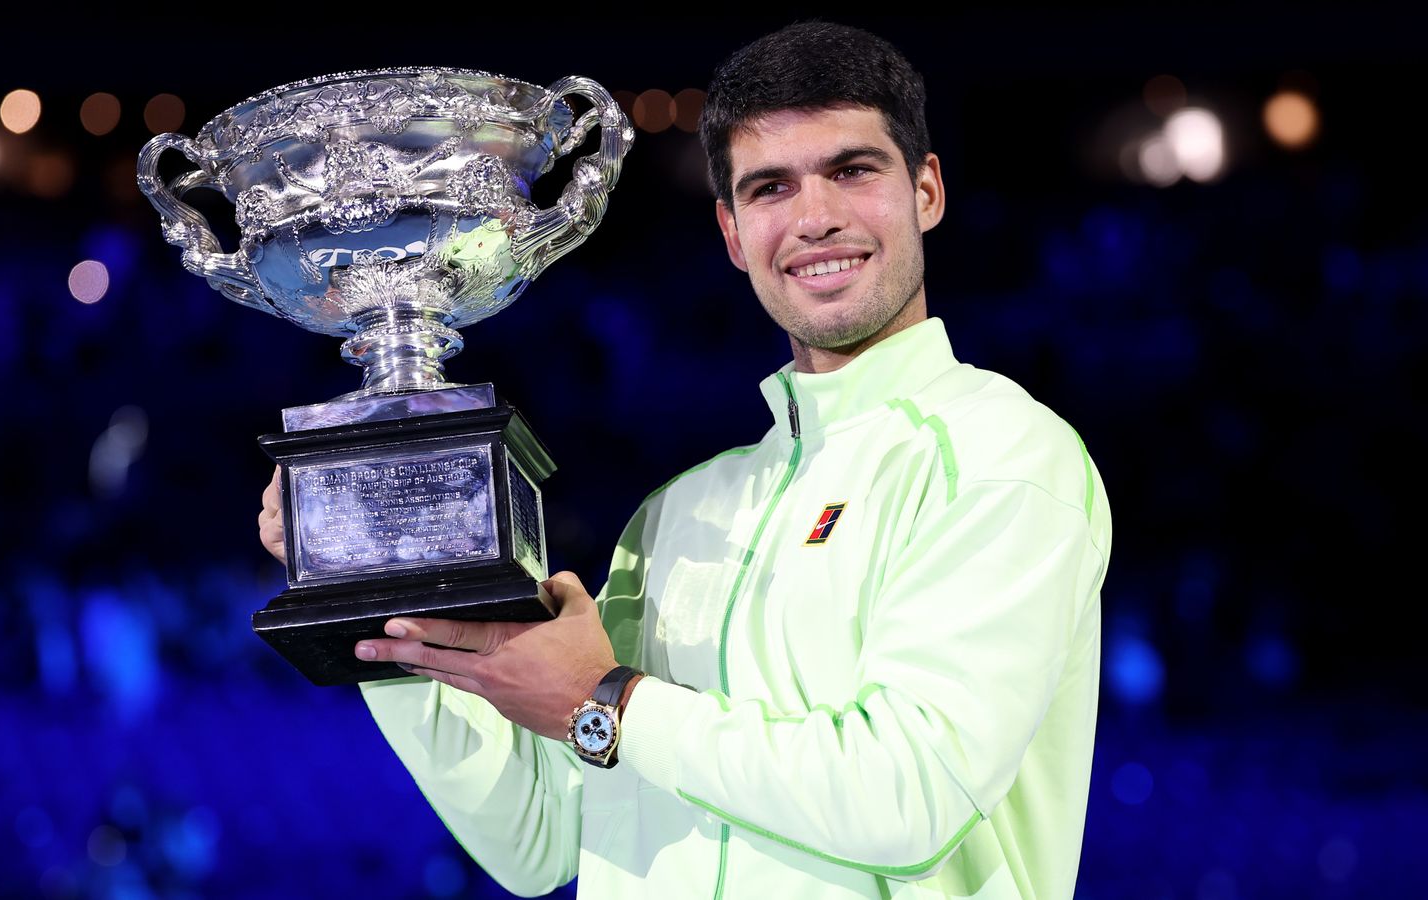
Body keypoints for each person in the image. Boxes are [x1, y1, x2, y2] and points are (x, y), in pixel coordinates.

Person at [259, 21, 1112, 899]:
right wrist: (382, 593)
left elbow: (909, 796)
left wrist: (609, 702)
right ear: (734, 233)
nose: (815, 217)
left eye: (853, 171)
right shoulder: (676, 515)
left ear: (926, 191)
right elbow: (540, 839)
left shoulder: (1001, 454)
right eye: (770, 188)